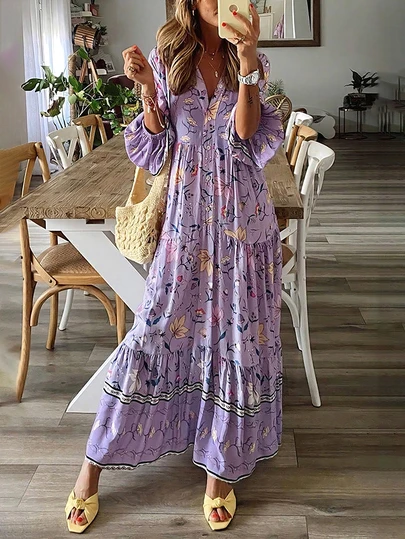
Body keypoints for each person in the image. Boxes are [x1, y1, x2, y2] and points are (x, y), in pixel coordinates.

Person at [66, 0, 284, 533]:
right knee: (154, 329)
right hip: (185, 217)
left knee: (236, 338)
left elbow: (246, 136)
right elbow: (157, 143)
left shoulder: (247, 57)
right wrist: (146, 87)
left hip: (242, 218)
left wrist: (247, 58)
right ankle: (93, 464)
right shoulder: (169, 54)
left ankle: (219, 470)